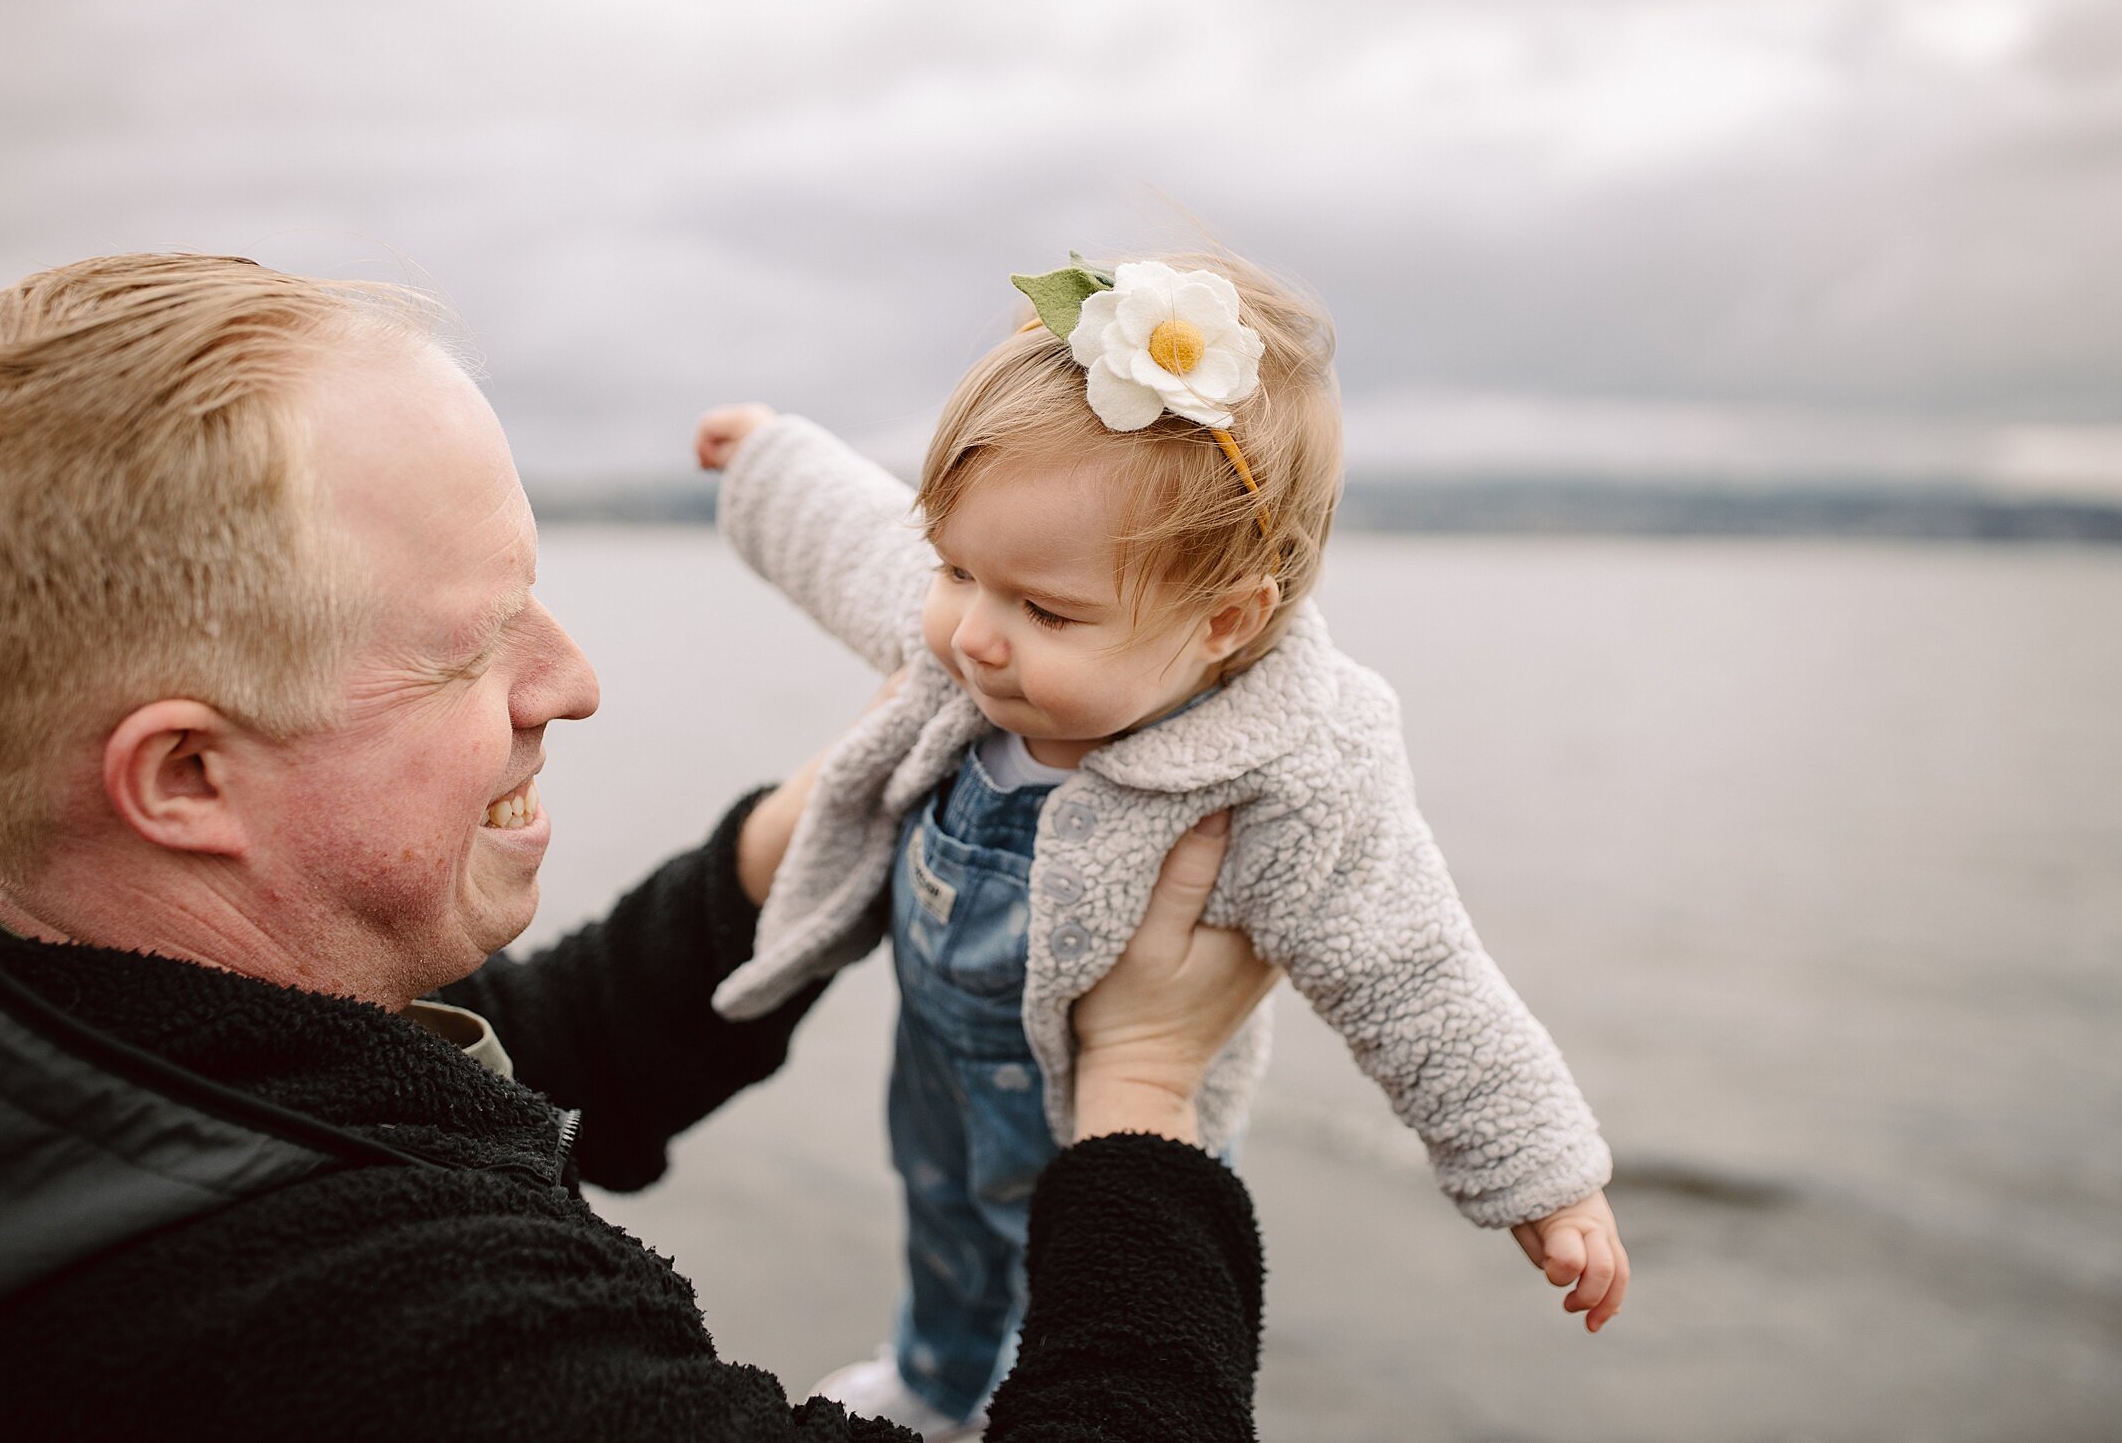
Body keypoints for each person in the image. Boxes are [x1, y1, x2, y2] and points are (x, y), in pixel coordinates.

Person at [0, 252, 1283, 1440]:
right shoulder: (414, 1357)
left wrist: (812, 825)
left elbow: (465, 1065)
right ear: (187, 774)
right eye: (473, 648)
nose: (574, 680)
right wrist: (1146, 1101)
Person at [691, 251, 1630, 1437]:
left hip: (1114, 1114)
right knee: (939, 1223)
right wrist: (771, 458)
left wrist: (1541, 1175)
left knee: (1077, 1270)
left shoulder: (1289, 766)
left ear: (1223, 619)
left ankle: (1013, 1400)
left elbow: (1415, 966)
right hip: (942, 1061)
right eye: (956, 571)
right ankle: (932, 1381)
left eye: (1044, 612)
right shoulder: (977, 639)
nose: (973, 635)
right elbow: (858, 540)